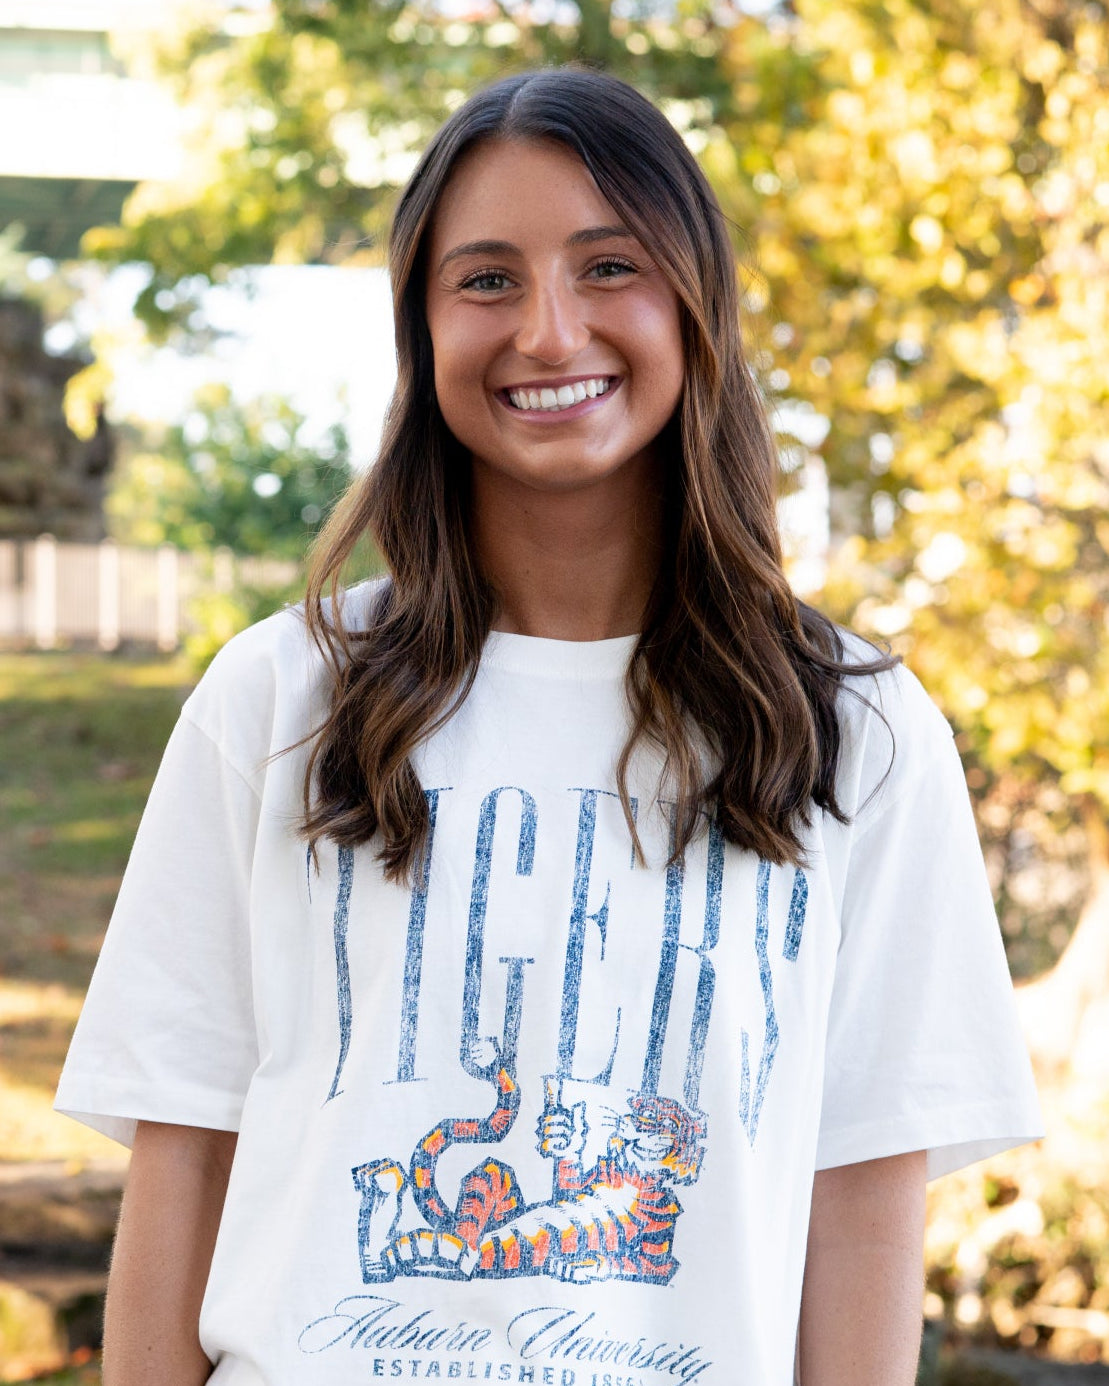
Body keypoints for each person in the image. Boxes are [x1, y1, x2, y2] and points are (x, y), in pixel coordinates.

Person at [57, 67, 1041, 1386]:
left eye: (607, 265)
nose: (547, 330)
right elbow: (186, 1149)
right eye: (486, 279)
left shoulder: (853, 729)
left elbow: (861, 1185)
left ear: (694, 306)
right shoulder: (280, 697)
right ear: (420, 329)